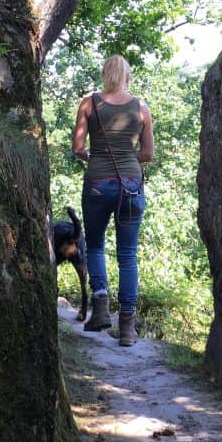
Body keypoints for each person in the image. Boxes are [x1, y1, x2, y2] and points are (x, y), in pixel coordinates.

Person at [71, 54, 154, 346]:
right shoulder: (141, 108)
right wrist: (127, 158)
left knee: (94, 245)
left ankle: (101, 309)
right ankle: (128, 329)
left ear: (106, 73)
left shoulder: (89, 103)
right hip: (130, 186)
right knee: (128, 255)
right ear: (127, 75)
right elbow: (147, 154)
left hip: (97, 184)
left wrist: (92, 157)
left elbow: (78, 147)